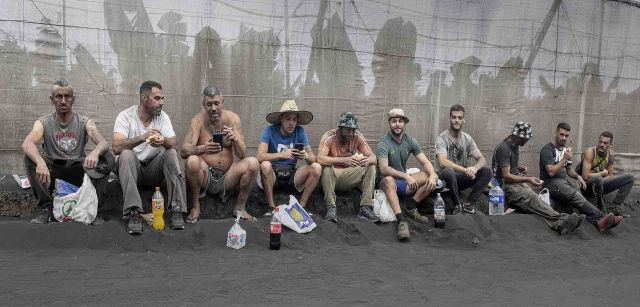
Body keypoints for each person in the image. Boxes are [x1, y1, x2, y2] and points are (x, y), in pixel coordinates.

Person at [23, 79, 114, 224]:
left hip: (78, 170)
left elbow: (103, 142)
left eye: (67, 96)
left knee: (108, 158)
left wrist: (95, 152)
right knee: (29, 158)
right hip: (53, 172)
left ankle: (93, 209)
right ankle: (47, 209)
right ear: (52, 100)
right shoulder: (43, 122)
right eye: (59, 97)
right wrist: (40, 162)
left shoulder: (84, 121)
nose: (63, 101)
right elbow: (27, 143)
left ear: (73, 99)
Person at [112, 80, 186, 234]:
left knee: (171, 152)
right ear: (143, 98)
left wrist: (163, 141)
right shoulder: (126, 116)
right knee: (126, 154)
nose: (161, 103)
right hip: (133, 171)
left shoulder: (162, 117)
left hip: (153, 170)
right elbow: (116, 147)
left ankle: (176, 208)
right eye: (157, 98)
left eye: (162, 99)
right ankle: (134, 212)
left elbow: (173, 142)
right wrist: (143, 137)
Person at [181, 85, 259, 223]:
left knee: (252, 163)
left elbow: (242, 155)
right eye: (209, 104)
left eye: (217, 103)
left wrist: (235, 139)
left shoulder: (233, 119)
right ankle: (195, 206)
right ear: (204, 105)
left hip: (227, 177)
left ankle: (240, 208)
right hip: (205, 176)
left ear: (222, 101)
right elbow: (184, 151)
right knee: (192, 160)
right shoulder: (198, 120)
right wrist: (203, 148)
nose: (213, 108)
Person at [492, 122, 584, 235]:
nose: (527, 141)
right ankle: (562, 219)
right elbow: (506, 176)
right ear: (519, 136)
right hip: (503, 186)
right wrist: (528, 179)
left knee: (536, 202)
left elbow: (507, 167)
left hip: (514, 183)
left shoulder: (514, 146)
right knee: (532, 199)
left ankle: (559, 224)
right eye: (526, 139)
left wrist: (519, 168)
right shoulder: (504, 148)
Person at [539, 122, 621, 233]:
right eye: (561, 134)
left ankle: (598, 223)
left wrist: (578, 177)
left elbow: (569, 170)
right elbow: (550, 172)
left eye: (566, 135)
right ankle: (602, 216)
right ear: (556, 133)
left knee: (578, 195)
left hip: (563, 182)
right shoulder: (547, 150)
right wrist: (564, 158)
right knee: (575, 195)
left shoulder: (565, 150)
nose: (564, 138)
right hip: (551, 183)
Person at [376, 108, 439, 240]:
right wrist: (406, 176)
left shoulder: (410, 141)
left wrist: (433, 175)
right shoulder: (384, 143)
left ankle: (411, 207)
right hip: (386, 184)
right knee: (388, 179)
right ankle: (401, 221)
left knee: (430, 176)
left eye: (400, 121)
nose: (397, 124)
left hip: (402, 184)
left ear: (404, 123)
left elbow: (426, 162)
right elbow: (383, 168)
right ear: (389, 123)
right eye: (394, 121)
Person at [256, 100, 321, 212]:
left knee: (317, 167)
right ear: (281, 119)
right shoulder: (269, 131)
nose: (291, 123)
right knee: (265, 165)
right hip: (273, 175)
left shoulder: (300, 131)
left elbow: (314, 159)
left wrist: (304, 155)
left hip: (292, 174)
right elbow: (259, 157)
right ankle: (271, 206)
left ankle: (302, 206)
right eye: (287, 118)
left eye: (294, 119)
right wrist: (282, 155)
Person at [317, 112, 379, 223]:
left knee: (371, 166)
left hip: (349, 175)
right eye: (347, 130)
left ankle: (365, 207)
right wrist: (343, 160)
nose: (351, 133)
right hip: (332, 176)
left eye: (353, 130)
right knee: (326, 167)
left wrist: (367, 160)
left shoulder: (357, 136)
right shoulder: (329, 137)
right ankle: (331, 208)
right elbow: (320, 159)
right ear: (339, 128)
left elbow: (373, 157)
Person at [435, 104, 492, 214]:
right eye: (454, 117)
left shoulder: (467, 138)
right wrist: (465, 170)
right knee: (448, 171)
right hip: (444, 179)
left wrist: (475, 168)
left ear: (463, 120)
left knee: (487, 171)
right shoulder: (442, 138)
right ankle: (457, 205)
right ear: (450, 118)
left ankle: (468, 204)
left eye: (460, 118)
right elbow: (443, 162)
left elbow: (482, 159)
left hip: (460, 178)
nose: (457, 120)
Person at [578, 131, 634, 217]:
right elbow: (585, 176)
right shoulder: (590, 152)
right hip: (587, 187)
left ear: (610, 145)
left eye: (605, 143)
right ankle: (601, 208)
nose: (601, 145)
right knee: (598, 179)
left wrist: (604, 179)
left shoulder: (611, 155)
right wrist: (601, 173)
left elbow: (609, 175)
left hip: (600, 184)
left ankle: (614, 207)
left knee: (629, 178)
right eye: (600, 142)